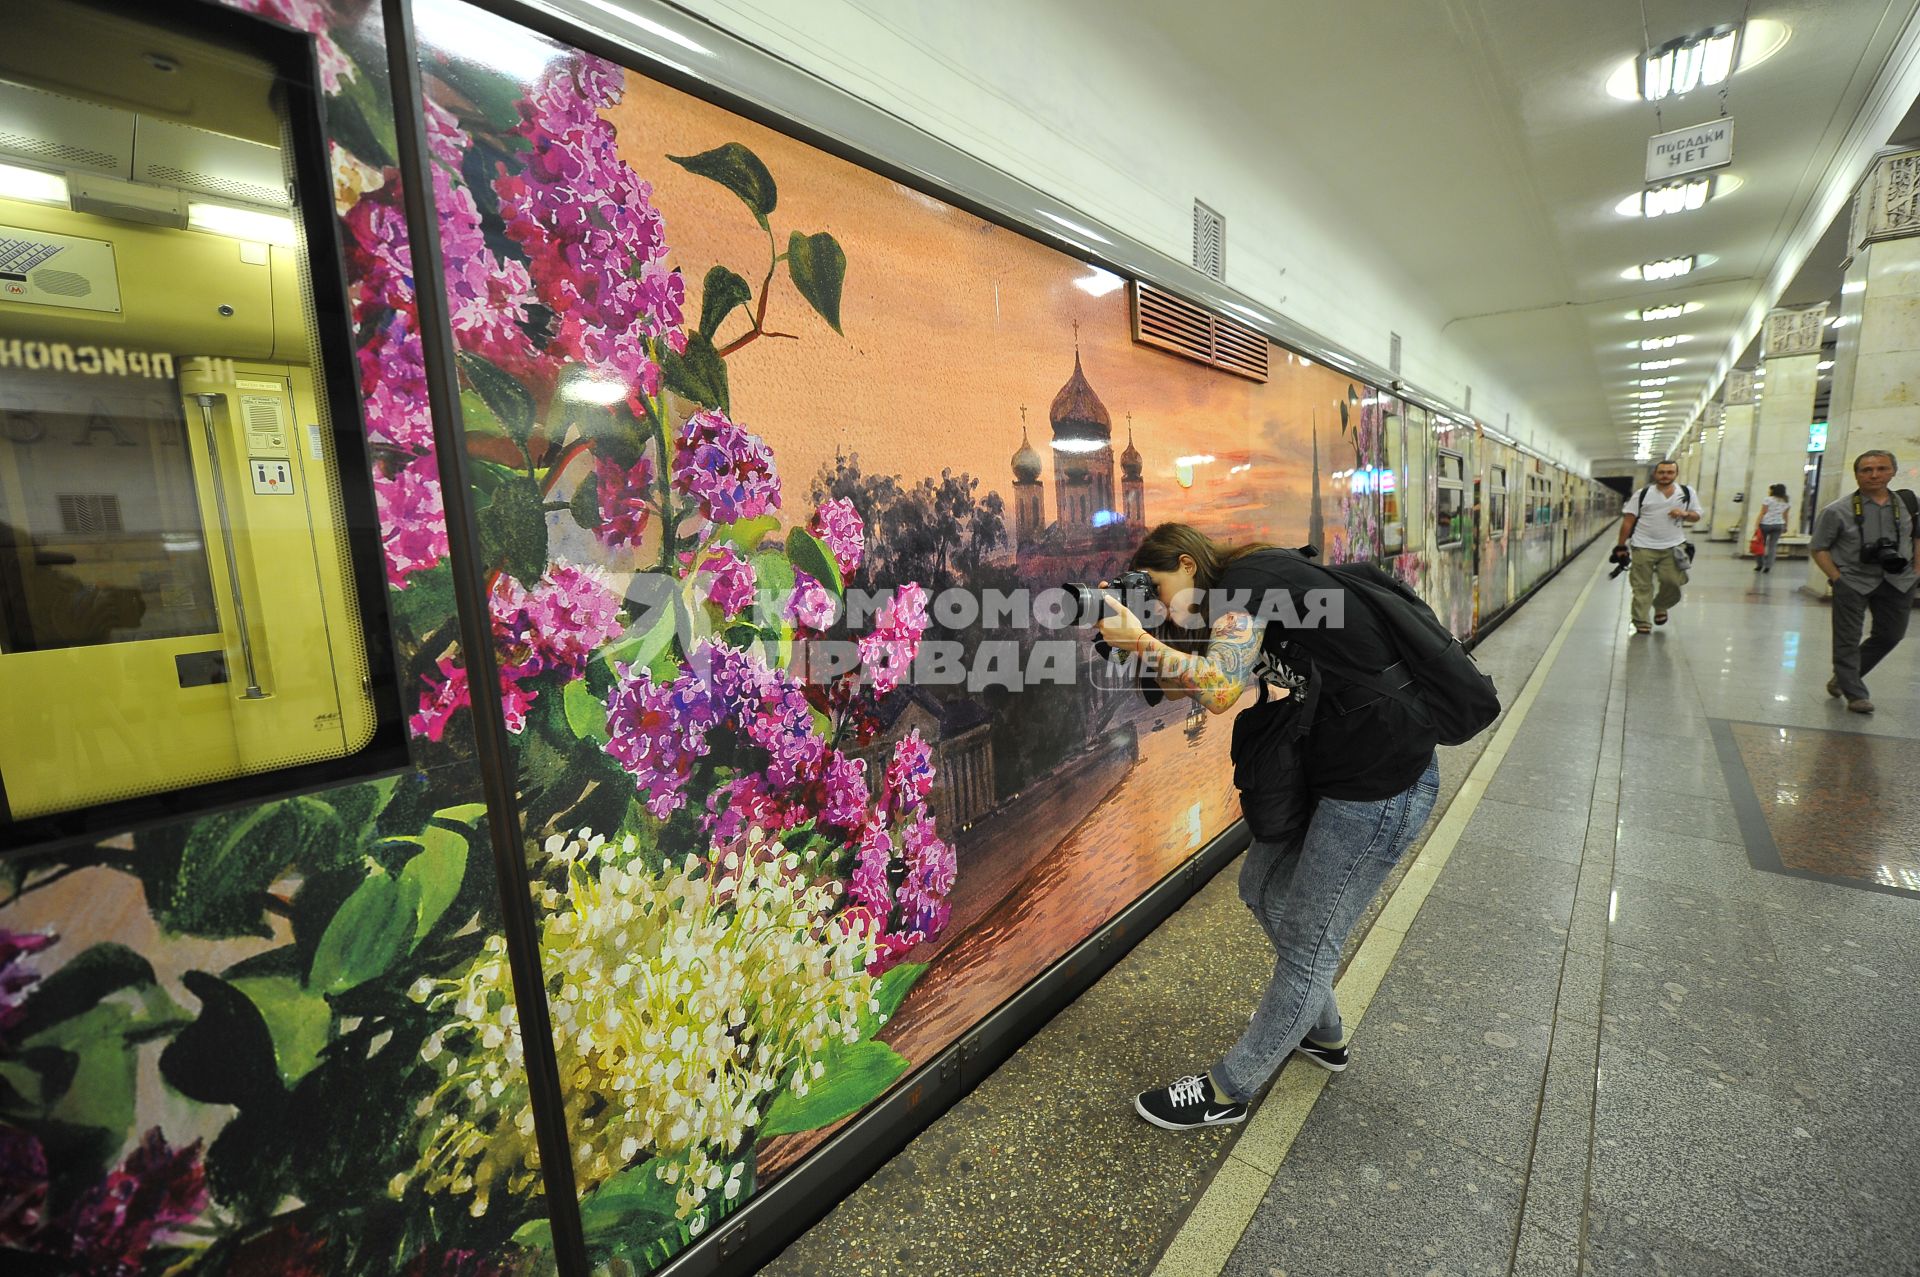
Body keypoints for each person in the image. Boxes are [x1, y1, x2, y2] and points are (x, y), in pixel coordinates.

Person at [1095, 523, 1440, 1130]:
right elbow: (1201, 686)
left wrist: (1144, 640)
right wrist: (1136, 644)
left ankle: (1229, 1090)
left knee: (1309, 942)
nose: (1154, 600)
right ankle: (1322, 1030)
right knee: (1261, 886)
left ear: (1186, 563)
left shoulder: (1247, 586)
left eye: (1155, 585)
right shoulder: (1241, 597)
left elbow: (1222, 687)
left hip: (1383, 782)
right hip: (1344, 772)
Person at [1810, 450, 1919, 714]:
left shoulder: (1909, 505)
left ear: (1893, 472)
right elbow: (1818, 547)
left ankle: (1845, 677)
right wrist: (1837, 578)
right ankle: (1855, 693)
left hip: (1898, 580)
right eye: (1866, 470)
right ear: (1856, 474)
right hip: (1854, 580)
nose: (1874, 475)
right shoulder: (1837, 510)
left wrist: (1916, 571)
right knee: (1847, 638)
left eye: (1881, 469)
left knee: (1891, 635)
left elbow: (1917, 538)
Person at [1613, 459, 1704, 634]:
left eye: (1670, 472)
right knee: (1642, 586)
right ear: (1655, 474)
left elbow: (1696, 516)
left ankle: (1661, 605)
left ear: (1676, 474)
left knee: (1672, 582)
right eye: (1662, 472)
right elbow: (1628, 520)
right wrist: (1620, 546)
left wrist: (1684, 513)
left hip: (1673, 546)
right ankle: (1641, 620)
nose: (1665, 476)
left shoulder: (1687, 492)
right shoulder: (1643, 493)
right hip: (1642, 545)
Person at [1754, 483, 1790, 573]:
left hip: (1765, 524)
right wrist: (1786, 526)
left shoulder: (1767, 499)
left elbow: (1763, 512)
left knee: (1760, 544)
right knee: (1772, 546)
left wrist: (1756, 524)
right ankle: (1768, 566)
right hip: (1778, 525)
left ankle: (1759, 565)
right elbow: (1785, 515)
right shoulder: (1786, 501)